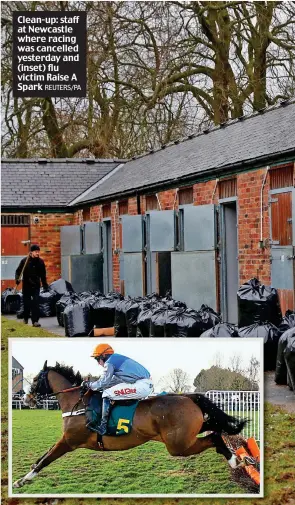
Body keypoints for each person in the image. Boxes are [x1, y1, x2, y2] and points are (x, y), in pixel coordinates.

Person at [82, 343, 153, 435]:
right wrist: (97, 386)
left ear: (103, 355)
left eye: (97, 359)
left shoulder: (109, 362)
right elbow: (114, 381)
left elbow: (103, 382)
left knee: (107, 393)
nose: (98, 363)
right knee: (108, 391)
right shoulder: (116, 359)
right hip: (144, 384)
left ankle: (103, 427)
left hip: (142, 385)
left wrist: (88, 385)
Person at [15, 244, 48, 327]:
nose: (37, 253)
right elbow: (18, 271)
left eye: (38, 252)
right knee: (27, 303)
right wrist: (17, 279)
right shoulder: (24, 261)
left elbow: (43, 275)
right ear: (31, 252)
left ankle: (35, 321)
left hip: (36, 285)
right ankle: (25, 318)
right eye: (36, 252)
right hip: (26, 285)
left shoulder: (40, 262)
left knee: (35, 302)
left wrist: (45, 286)